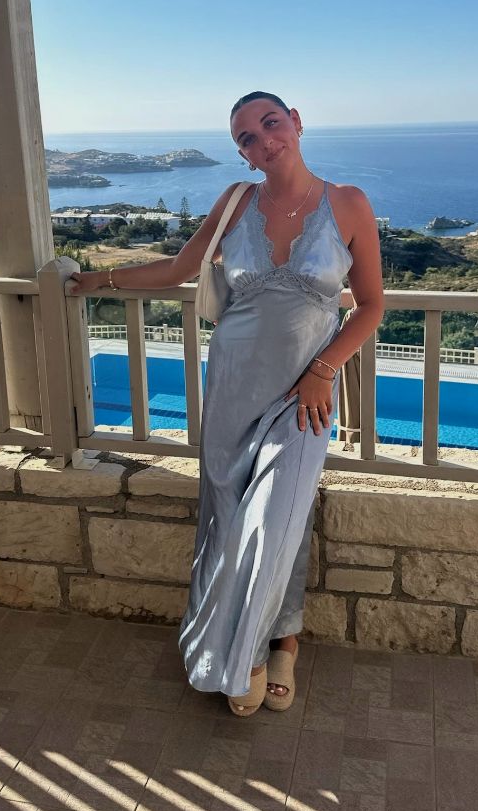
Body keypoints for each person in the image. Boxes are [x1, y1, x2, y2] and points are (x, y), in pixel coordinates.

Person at [70, 92, 384, 715]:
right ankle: (267, 652)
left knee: (277, 519)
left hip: (304, 396)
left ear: (295, 123)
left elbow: (372, 304)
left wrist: (324, 370)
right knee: (229, 521)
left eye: (270, 123)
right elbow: (182, 269)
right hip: (232, 388)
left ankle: (256, 649)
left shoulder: (347, 202)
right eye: (245, 137)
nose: (262, 140)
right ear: (241, 154)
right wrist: (98, 280)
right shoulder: (237, 204)